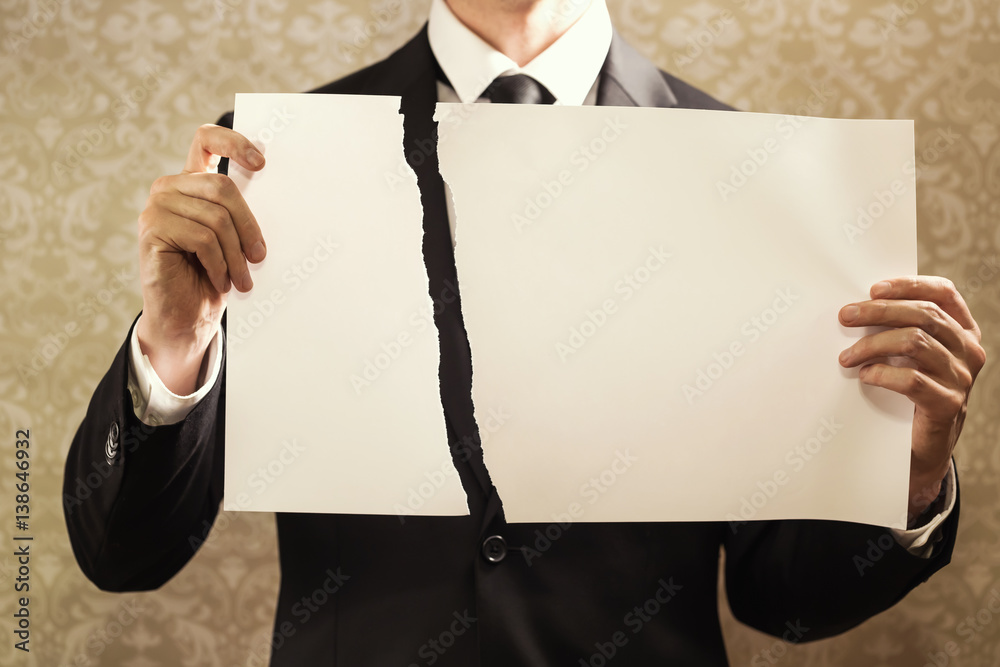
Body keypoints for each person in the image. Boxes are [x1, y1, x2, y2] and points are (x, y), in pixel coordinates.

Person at [63, 0, 985, 665]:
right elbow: (125, 551)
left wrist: (901, 477)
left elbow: (780, 597)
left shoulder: (752, 175)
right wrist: (173, 346)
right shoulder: (272, 159)